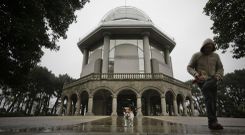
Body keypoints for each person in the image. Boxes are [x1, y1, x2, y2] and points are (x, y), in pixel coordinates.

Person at [187, 38, 224, 130]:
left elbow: (220, 68)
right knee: (209, 97)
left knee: (212, 100)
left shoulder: (216, 56)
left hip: (213, 79)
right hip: (202, 80)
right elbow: (189, 67)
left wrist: (218, 75)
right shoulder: (196, 55)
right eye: (207, 47)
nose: (208, 49)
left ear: (213, 48)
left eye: (210, 48)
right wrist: (195, 74)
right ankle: (213, 122)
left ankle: (212, 122)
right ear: (203, 47)